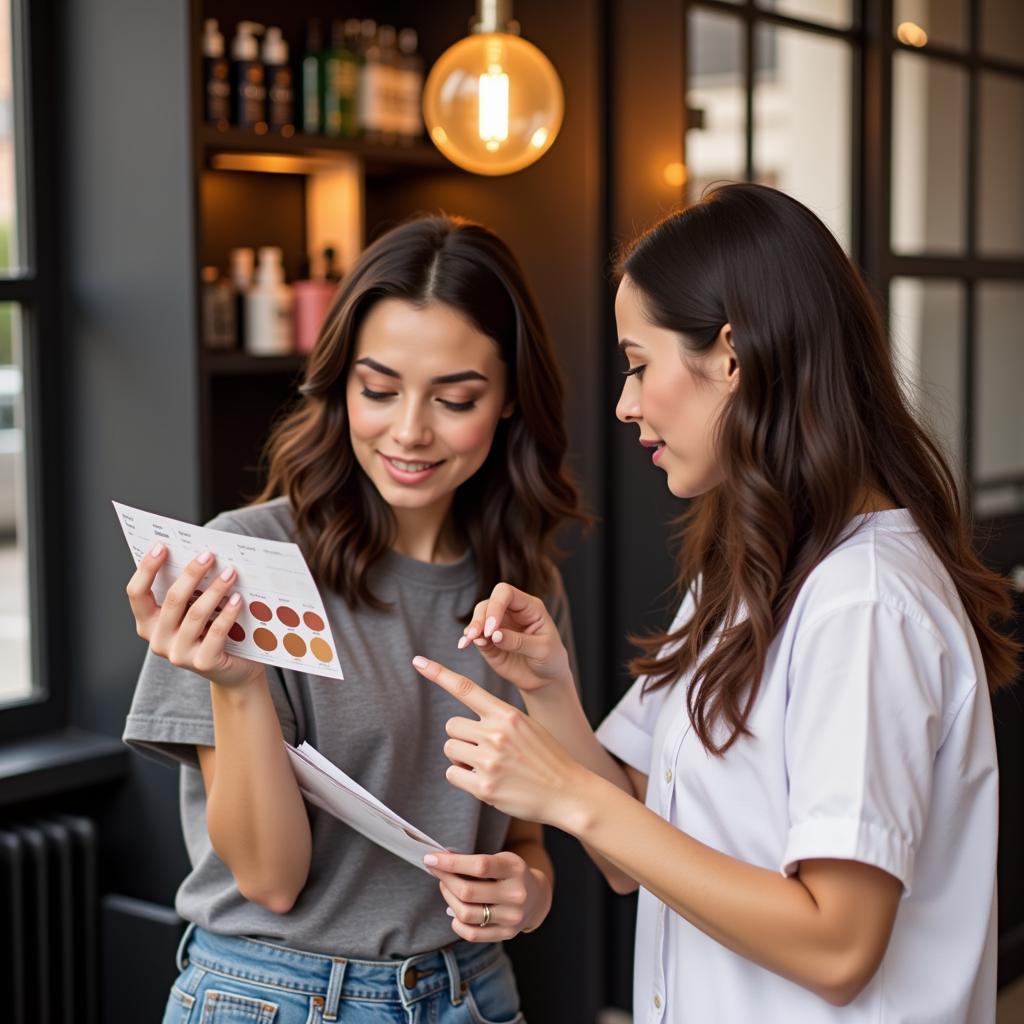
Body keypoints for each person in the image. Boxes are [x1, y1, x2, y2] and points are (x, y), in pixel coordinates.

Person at [411, 183, 1019, 1021]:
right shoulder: (756, 569)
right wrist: (548, 686)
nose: (624, 403)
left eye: (638, 364)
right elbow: (632, 855)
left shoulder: (866, 605)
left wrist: (565, 793)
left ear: (733, 356)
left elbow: (836, 945)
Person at [122, 215, 584, 1023]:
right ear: (340, 384)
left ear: (509, 400)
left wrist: (530, 891)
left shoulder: (522, 589)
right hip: (272, 996)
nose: (409, 430)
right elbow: (270, 879)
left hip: (470, 992)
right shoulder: (245, 559)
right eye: (378, 390)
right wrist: (236, 685)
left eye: (456, 398)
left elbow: (523, 838)